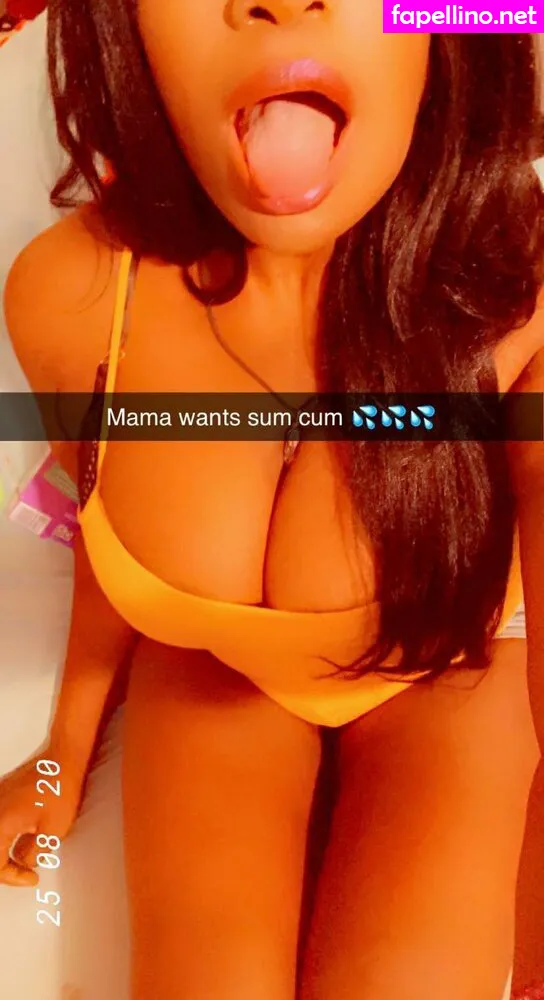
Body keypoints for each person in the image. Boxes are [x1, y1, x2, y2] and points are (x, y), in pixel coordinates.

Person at [1, 4, 544, 999]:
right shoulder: (68, 297)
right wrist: (57, 763)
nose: (285, 2)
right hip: (216, 670)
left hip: (451, 667)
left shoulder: (524, 293)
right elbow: (102, 530)